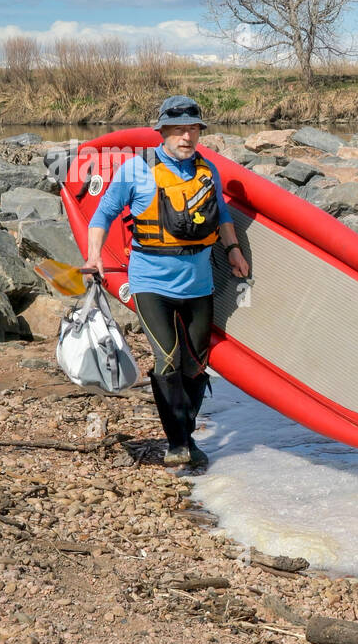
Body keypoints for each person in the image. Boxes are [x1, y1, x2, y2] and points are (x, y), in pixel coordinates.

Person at [84, 95, 250, 467]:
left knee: (196, 365)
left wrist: (234, 249)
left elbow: (222, 213)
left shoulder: (208, 171)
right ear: (162, 131)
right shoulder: (135, 169)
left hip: (199, 284)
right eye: (177, 130)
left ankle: (186, 432)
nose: (186, 137)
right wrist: (94, 256)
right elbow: (104, 213)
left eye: (192, 129)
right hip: (151, 282)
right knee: (167, 359)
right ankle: (178, 443)